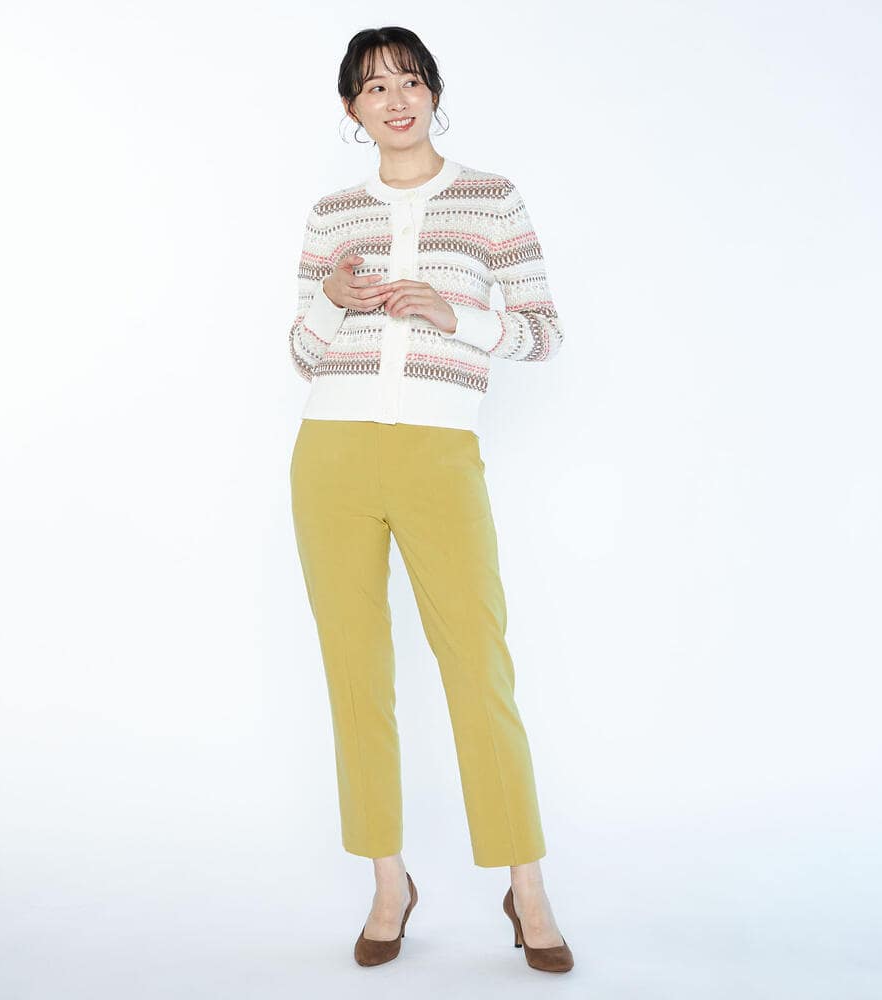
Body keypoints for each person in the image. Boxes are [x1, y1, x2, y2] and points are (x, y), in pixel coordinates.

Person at [288, 26, 573, 973]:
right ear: (351, 109)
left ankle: (527, 886)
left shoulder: (492, 199)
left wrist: (461, 315)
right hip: (331, 453)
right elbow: (303, 352)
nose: (395, 99)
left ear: (434, 93)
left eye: (410, 81)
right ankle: (387, 882)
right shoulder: (332, 214)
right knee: (355, 673)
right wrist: (331, 297)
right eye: (374, 88)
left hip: (440, 453)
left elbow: (544, 332)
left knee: (478, 667)